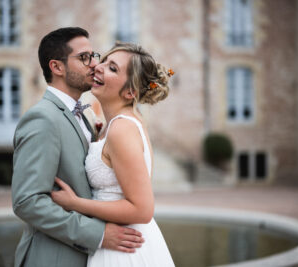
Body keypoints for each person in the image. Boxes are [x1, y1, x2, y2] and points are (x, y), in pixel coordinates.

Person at [11, 27, 144, 267]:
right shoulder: (42, 118)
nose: (94, 64)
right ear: (57, 67)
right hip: (53, 258)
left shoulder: (84, 116)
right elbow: (26, 202)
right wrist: (98, 234)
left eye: (94, 56)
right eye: (84, 58)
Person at [51, 42, 175, 266]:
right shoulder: (116, 125)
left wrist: (75, 203)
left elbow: (142, 209)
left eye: (112, 68)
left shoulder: (121, 129)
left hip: (124, 249)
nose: (99, 67)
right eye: (105, 61)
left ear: (130, 92)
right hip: (119, 240)